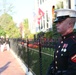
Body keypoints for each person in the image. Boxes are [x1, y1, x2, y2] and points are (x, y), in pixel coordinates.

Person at [46, 9, 76, 75]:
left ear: (70, 24)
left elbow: (74, 70)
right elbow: (56, 61)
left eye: (60, 22)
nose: (56, 25)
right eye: (57, 22)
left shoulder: (73, 44)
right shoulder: (61, 42)